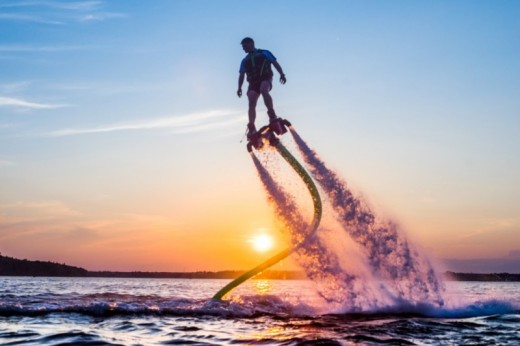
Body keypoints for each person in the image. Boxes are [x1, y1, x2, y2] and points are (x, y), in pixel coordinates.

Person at [237, 37, 286, 139]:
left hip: (265, 78)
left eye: (244, 46)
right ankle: (251, 126)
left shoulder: (265, 53)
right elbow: (241, 75)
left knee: (264, 90)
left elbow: (275, 63)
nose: (243, 49)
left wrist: (282, 74)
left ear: (251, 44)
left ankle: (272, 114)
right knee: (251, 101)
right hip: (253, 83)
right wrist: (239, 88)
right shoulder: (244, 60)